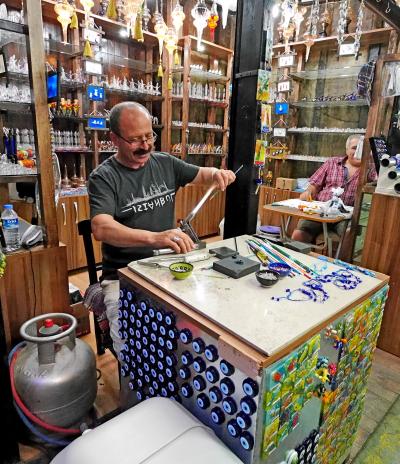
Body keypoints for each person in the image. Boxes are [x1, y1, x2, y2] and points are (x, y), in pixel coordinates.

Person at [88, 102, 236, 355]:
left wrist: (217, 174)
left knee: (203, 319)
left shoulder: (165, 163)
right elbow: (101, 227)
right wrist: (155, 238)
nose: (145, 145)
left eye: (149, 136)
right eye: (135, 139)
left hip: (168, 265)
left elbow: (203, 174)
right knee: (131, 345)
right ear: (114, 139)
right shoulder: (104, 177)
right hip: (124, 275)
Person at [291, 134, 377, 244]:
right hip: (321, 211)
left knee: (351, 236)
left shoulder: (371, 169)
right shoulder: (332, 162)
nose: (358, 152)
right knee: (299, 234)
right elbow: (314, 185)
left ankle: (340, 256)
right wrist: (308, 192)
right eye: (354, 148)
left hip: (347, 216)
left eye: (362, 149)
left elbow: (379, 184)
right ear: (347, 150)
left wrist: (372, 161)